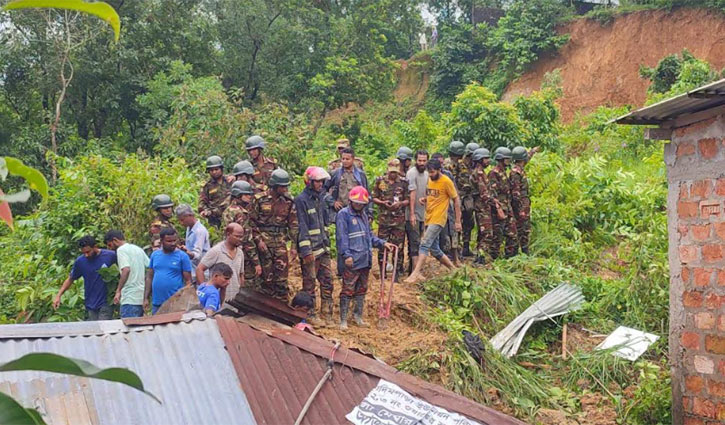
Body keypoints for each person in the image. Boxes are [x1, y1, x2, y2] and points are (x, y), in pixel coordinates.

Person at [336, 186, 395, 330]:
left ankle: (358, 316)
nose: (359, 206)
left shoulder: (363, 215)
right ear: (351, 201)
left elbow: (369, 236)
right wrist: (346, 255)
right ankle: (343, 319)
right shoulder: (344, 215)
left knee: (361, 289)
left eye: (361, 204)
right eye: (357, 203)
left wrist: (382, 243)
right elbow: (341, 237)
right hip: (353, 259)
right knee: (348, 289)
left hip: (365, 259)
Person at [405, 159, 462, 283]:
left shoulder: (446, 181)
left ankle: (416, 273)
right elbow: (434, 195)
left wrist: (457, 221)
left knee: (424, 244)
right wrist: (425, 199)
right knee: (434, 249)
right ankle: (454, 269)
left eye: (432, 172)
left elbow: (456, 200)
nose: (430, 175)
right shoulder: (431, 180)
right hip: (429, 217)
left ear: (439, 170)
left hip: (439, 218)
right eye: (429, 172)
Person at [249, 169, 298, 302]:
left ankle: (281, 306)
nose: (285, 189)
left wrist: (293, 246)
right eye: (283, 186)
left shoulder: (288, 201)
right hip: (263, 242)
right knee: (265, 278)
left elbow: (293, 225)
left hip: (280, 242)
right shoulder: (259, 199)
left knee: (281, 279)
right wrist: (258, 241)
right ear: (275, 186)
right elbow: (251, 222)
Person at [295, 166, 334, 325]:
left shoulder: (321, 199)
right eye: (317, 182)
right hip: (310, 250)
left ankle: (327, 313)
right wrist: (306, 251)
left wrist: (327, 245)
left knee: (327, 281)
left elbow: (324, 223)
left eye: (321, 182)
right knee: (309, 283)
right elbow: (302, 227)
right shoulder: (301, 200)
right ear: (309, 182)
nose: (320, 184)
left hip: (323, 248)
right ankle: (310, 313)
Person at [53, 235, 117, 320]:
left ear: (95, 247)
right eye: (83, 253)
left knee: (103, 328)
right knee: (93, 329)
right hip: (90, 303)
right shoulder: (80, 262)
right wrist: (59, 295)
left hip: (106, 301)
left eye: (88, 252)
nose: (86, 255)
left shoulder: (110, 256)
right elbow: (70, 279)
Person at [372, 159, 408, 282]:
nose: (393, 174)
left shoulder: (404, 182)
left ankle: (396, 273)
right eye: (391, 172)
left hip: (398, 220)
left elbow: (408, 199)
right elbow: (374, 197)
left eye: (395, 172)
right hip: (384, 219)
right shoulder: (380, 181)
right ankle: (382, 273)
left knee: (398, 247)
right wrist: (383, 203)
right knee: (382, 246)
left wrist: (400, 204)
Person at [222, 181, 262, 291]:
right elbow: (247, 240)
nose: (250, 197)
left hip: (229, 253)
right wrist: (256, 263)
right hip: (243, 256)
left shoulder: (228, 210)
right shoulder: (241, 214)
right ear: (239, 195)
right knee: (249, 286)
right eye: (247, 194)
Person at [145, 227, 192, 314]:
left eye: (175, 240)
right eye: (169, 241)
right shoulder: (155, 255)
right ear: (162, 241)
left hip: (175, 303)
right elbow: (149, 277)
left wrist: (185, 300)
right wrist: (146, 298)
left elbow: (188, 281)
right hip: (157, 302)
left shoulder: (182, 256)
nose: (173, 243)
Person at [104, 230, 149, 318]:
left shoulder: (121, 250)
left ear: (115, 240)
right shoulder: (138, 249)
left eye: (110, 245)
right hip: (140, 297)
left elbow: (126, 269)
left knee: (128, 328)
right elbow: (150, 267)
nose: (110, 248)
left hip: (129, 297)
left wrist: (118, 290)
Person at [196, 223, 245, 303]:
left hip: (234, 300)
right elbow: (199, 269)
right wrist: (205, 291)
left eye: (241, 237)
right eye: (236, 236)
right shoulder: (216, 251)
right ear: (228, 234)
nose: (239, 239)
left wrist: (241, 293)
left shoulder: (240, 253)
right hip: (216, 300)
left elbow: (241, 274)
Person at [489, 147, 518, 259]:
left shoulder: (504, 172)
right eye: (507, 159)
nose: (509, 161)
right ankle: (493, 259)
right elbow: (492, 193)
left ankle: (510, 258)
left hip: (507, 206)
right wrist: (498, 209)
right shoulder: (493, 173)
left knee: (512, 234)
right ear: (501, 159)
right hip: (499, 208)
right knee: (497, 236)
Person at [509, 146, 539, 255]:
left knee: (525, 229)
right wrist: (520, 209)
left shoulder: (519, 169)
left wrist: (532, 152)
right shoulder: (515, 173)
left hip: (524, 203)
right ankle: (518, 253)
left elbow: (526, 159)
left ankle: (524, 252)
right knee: (520, 229)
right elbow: (515, 193)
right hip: (521, 205)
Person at [326, 147, 370, 219]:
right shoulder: (335, 173)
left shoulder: (360, 174)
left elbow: (367, 194)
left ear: (353, 159)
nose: (345, 161)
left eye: (347, 159)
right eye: (343, 159)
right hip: (339, 211)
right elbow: (323, 190)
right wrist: (333, 202)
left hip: (357, 211)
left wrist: (369, 213)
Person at [451, 141, 477, 258]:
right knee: (458, 224)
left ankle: (466, 248)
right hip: (458, 198)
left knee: (469, 223)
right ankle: (456, 250)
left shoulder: (474, 166)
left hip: (468, 198)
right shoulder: (458, 165)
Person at [470, 148, 495, 265]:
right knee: (487, 233)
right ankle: (481, 257)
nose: (488, 161)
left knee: (482, 232)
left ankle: (480, 256)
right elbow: (484, 194)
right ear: (480, 160)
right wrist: (495, 203)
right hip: (482, 207)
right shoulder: (479, 174)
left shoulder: (480, 172)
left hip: (482, 207)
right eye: (486, 158)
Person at [406, 150, 428, 274]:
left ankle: (413, 270)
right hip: (412, 214)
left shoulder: (427, 174)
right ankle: (415, 272)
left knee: (419, 242)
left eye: (424, 160)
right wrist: (412, 214)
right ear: (416, 160)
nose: (421, 163)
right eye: (419, 160)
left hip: (423, 214)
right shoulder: (411, 173)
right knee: (414, 242)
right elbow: (412, 194)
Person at [175, 204, 209, 277]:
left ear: (190, 215)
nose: (181, 223)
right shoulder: (189, 228)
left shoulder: (199, 231)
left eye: (182, 220)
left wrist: (188, 253)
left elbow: (197, 255)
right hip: (192, 271)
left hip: (200, 273)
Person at [198, 155, 231, 228]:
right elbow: (202, 202)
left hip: (230, 215)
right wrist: (206, 211)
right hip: (215, 218)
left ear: (221, 169)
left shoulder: (230, 181)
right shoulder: (207, 186)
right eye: (211, 170)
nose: (214, 172)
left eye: (216, 169)